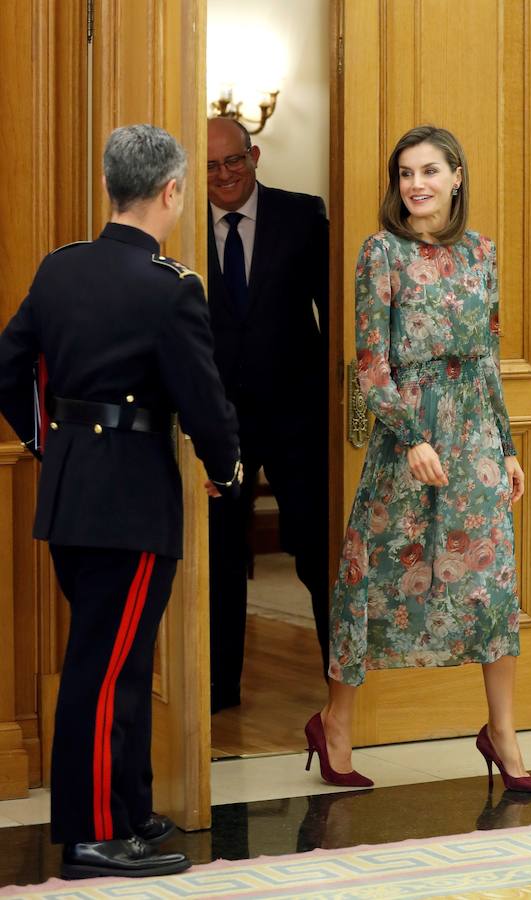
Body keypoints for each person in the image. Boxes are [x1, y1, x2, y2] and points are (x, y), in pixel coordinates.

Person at [0, 124, 241, 879]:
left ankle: (129, 809)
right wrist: (227, 468)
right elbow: (203, 400)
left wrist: (46, 442)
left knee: (119, 659)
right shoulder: (171, 288)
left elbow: (8, 369)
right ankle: (94, 834)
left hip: (71, 492)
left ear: (110, 186)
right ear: (172, 191)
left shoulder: (59, 269)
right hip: (130, 502)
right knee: (105, 669)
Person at [304, 124, 531, 794]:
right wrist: (412, 436)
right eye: (405, 173)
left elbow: (487, 358)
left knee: (492, 586)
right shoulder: (380, 251)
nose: (416, 185)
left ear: (456, 176)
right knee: (371, 579)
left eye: (430, 171)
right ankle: (335, 722)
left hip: (475, 444)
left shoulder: (482, 253)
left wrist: (507, 446)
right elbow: (371, 366)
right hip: (406, 441)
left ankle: (502, 734)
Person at [206, 117, 329, 713]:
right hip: (217, 421)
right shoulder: (181, 227)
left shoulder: (302, 216)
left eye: (234, 160)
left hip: (296, 418)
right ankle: (217, 691)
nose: (225, 174)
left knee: (317, 549)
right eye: (211, 166)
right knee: (220, 556)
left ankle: (343, 685)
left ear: (254, 156)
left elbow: (334, 312)